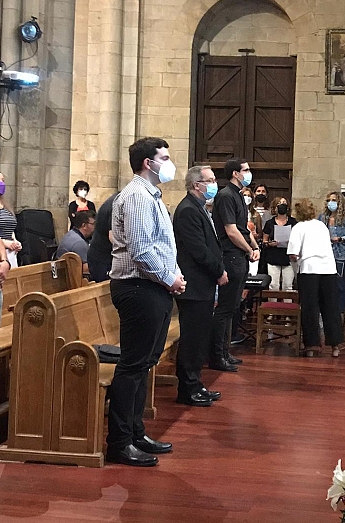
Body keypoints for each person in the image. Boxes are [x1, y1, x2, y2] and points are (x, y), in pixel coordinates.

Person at [107, 136, 186, 467]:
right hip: (138, 288)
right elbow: (142, 251)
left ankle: (136, 433)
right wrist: (170, 278)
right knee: (133, 365)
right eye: (164, 157)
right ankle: (120, 442)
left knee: (143, 364)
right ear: (147, 163)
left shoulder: (152, 196)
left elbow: (164, 245)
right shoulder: (137, 197)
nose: (169, 163)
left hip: (152, 288)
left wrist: (174, 275)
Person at [173, 166, 227, 407]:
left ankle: (196, 384)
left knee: (199, 338)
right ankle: (188, 389)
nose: (214, 184)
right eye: (211, 180)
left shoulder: (199, 208)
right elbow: (198, 250)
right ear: (197, 185)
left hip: (202, 285)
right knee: (192, 340)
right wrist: (219, 271)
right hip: (194, 284)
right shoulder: (187, 211)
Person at [210, 158, 260, 372]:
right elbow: (231, 231)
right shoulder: (226, 195)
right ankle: (217, 355)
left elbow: (244, 229)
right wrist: (249, 250)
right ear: (235, 174)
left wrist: (255, 246)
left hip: (239, 256)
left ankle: (225, 350)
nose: (249, 173)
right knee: (224, 309)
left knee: (232, 307)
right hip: (230, 255)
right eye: (246, 170)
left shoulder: (238, 196)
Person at [287, 199, 342, 357]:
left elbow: (293, 254)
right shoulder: (321, 226)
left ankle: (312, 345)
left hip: (309, 270)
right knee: (330, 307)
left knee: (310, 308)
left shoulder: (298, 227)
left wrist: (296, 270)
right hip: (329, 269)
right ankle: (336, 345)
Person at [318, 191, 345, 317]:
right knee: (324, 284)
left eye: (333, 200)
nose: (330, 203)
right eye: (328, 200)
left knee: (339, 283)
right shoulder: (322, 218)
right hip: (325, 254)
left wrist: (339, 239)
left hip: (341, 254)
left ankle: (339, 312)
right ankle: (325, 311)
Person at [262, 197, 296, 294]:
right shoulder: (270, 223)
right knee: (273, 285)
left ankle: (288, 308)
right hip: (273, 256)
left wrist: (291, 242)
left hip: (288, 257)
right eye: (280, 203)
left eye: (284, 203)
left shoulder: (293, 222)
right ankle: (272, 307)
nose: (282, 205)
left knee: (288, 286)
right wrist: (270, 243)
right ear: (275, 207)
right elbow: (265, 240)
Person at [87, 192, 118, 282]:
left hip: (104, 256)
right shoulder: (117, 203)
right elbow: (113, 237)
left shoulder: (117, 199)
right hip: (102, 258)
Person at [0, 173, 21, 268]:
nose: (1, 183)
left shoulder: (6, 205)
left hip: (10, 253)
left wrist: (15, 242)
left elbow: (10, 227)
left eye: (3, 180)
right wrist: (5, 243)